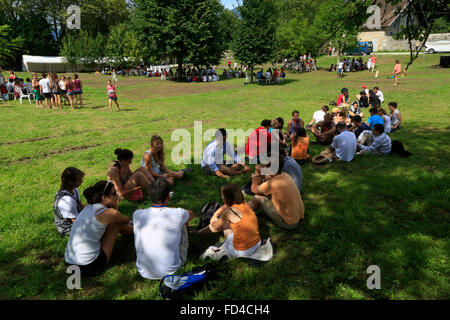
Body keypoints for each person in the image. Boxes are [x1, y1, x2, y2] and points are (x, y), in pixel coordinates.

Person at [64, 180, 133, 277]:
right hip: (88, 266)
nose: (117, 195)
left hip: (69, 263)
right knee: (116, 224)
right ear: (104, 197)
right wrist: (115, 209)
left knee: (109, 225)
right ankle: (142, 233)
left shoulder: (88, 207)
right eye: (114, 193)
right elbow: (125, 221)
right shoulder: (109, 213)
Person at [133, 178, 194, 279]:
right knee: (183, 222)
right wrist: (173, 210)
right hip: (172, 270)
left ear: (149, 195)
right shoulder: (178, 214)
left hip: (144, 271)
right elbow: (191, 214)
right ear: (168, 197)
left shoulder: (137, 214)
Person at [197, 183, 261, 259]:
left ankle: (197, 233)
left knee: (224, 224)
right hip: (256, 244)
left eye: (222, 195)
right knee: (229, 223)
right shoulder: (246, 205)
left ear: (228, 197)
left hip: (241, 252)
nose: (221, 197)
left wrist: (214, 216)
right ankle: (198, 233)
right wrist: (221, 210)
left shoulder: (229, 212)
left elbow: (215, 225)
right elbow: (226, 207)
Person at [248, 162, 305, 230]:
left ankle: (242, 213)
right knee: (265, 195)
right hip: (299, 217)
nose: (262, 167)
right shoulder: (285, 175)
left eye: (263, 166)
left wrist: (255, 177)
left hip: (289, 224)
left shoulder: (272, 184)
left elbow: (254, 189)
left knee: (258, 197)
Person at [53, 167, 85, 236]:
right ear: (71, 182)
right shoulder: (67, 201)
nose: (82, 182)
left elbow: (81, 205)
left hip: (77, 218)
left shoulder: (74, 190)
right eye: (79, 180)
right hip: (68, 228)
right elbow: (76, 222)